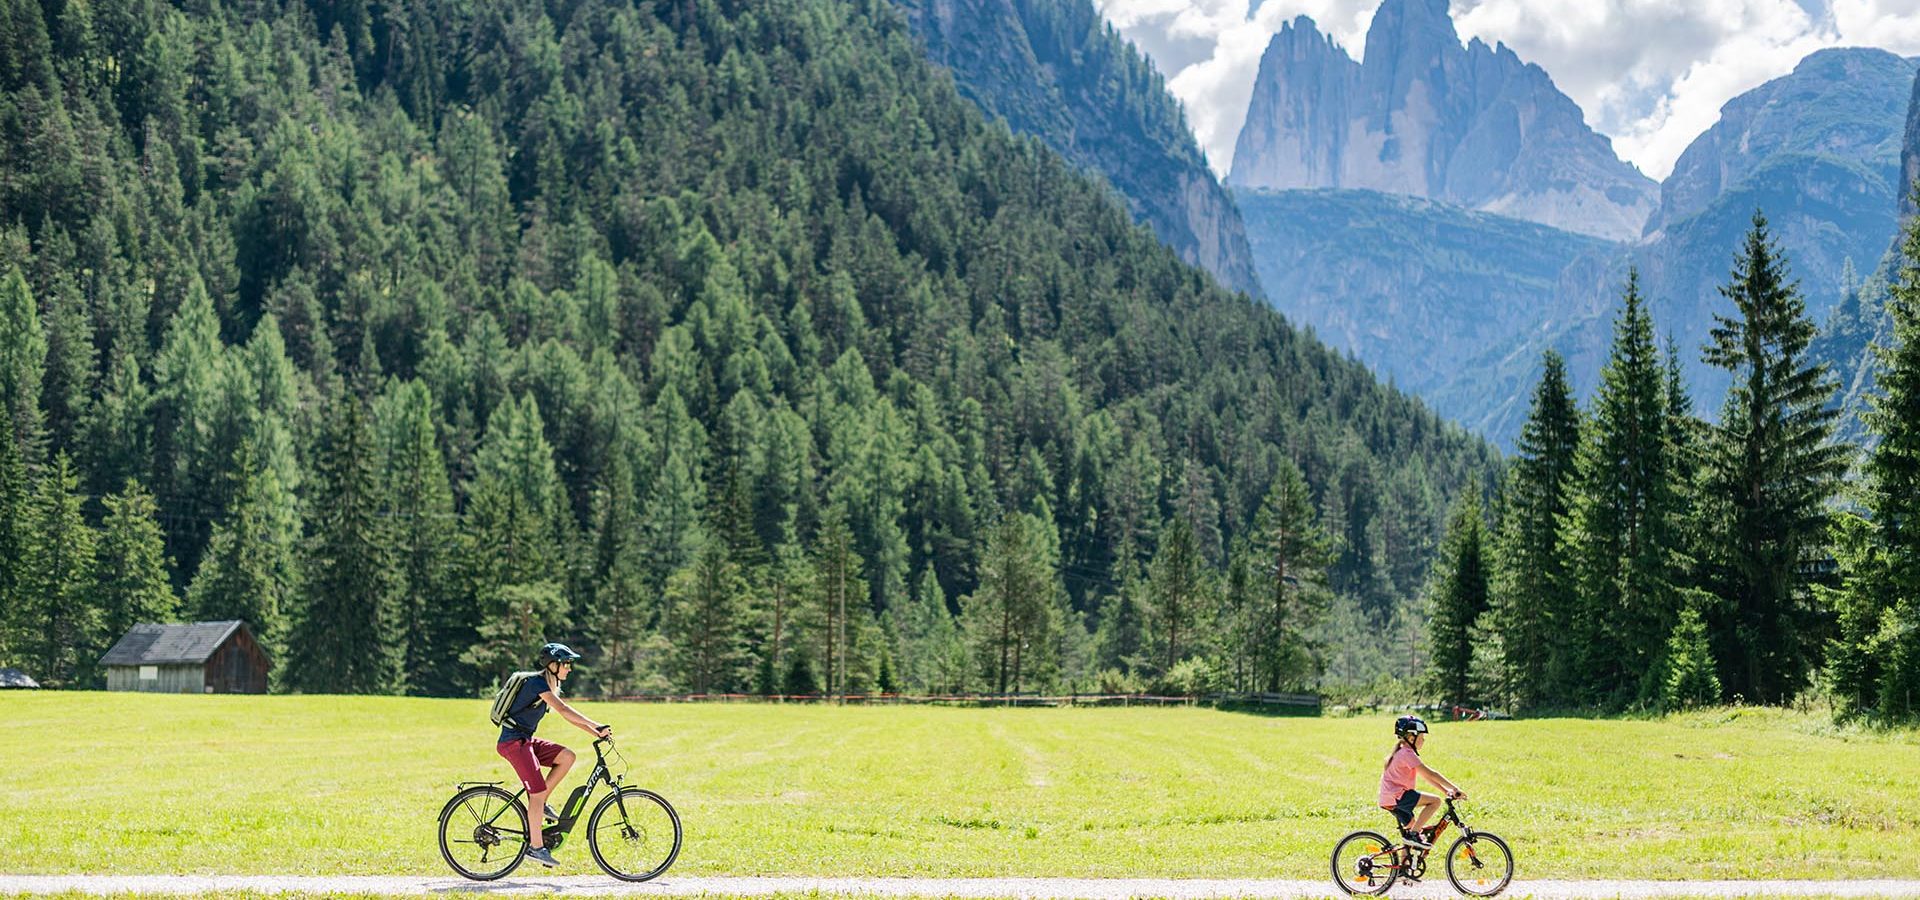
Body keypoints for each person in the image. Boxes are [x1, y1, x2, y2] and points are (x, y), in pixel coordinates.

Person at [497, 642, 613, 867]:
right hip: (513, 743)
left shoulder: (547, 685)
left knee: (567, 757)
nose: (570, 668)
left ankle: (540, 801)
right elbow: (563, 710)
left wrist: (595, 732)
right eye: (567, 664)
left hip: (525, 741)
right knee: (537, 794)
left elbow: (567, 717)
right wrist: (596, 724)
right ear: (553, 665)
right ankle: (536, 847)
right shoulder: (536, 683)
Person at [1377, 715, 1463, 850]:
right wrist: (1455, 788)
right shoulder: (1406, 753)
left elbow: (1426, 777)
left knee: (1410, 833)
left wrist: (1446, 791)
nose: (1424, 740)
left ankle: (1403, 868)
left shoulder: (1401, 751)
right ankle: (1414, 834)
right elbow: (1431, 773)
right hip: (1398, 797)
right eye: (1421, 737)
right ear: (1411, 738)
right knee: (1435, 802)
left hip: (1390, 798)